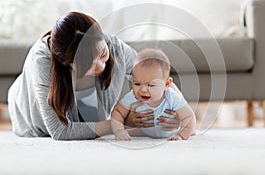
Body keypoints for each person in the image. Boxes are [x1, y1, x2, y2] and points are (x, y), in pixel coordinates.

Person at [7, 12, 180, 140]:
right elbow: (60, 131)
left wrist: (178, 108)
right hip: (30, 119)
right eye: (88, 64)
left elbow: (154, 73)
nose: (101, 66)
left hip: (83, 101)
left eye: (103, 54)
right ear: (67, 63)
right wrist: (121, 123)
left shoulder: (113, 46)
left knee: (92, 118)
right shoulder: (42, 61)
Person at [111, 48, 196, 141]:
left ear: (167, 84)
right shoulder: (133, 96)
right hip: (144, 130)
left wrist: (181, 135)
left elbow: (189, 116)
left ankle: (191, 131)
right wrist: (119, 130)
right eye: (137, 84)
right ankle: (142, 132)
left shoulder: (172, 97)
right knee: (133, 131)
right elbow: (117, 112)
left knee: (189, 128)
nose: (143, 90)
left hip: (169, 132)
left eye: (151, 85)